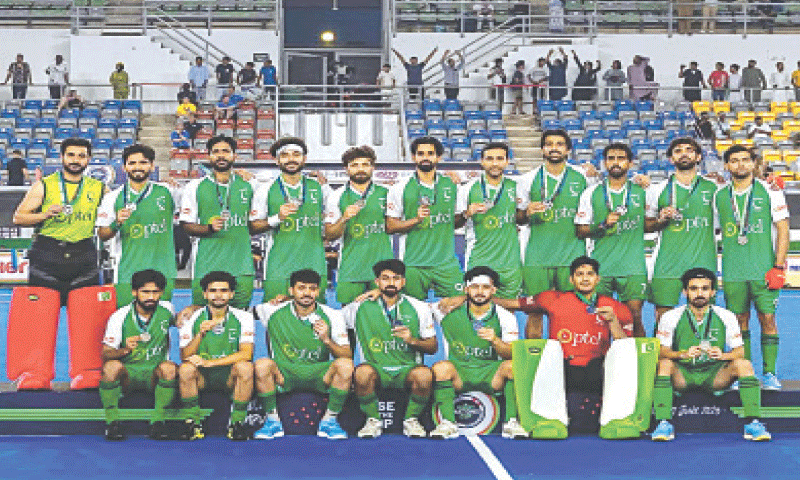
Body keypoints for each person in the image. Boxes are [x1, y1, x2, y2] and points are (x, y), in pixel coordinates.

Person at [651, 268, 771, 442]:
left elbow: (740, 351)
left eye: (705, 288)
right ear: (685, 291)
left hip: (714, 375)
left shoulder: (726, 316)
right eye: (693, 288)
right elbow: (661, 351)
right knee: (664, 364)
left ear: (713, 292)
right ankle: (663, 423)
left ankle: (753, 422)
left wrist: (722, 355)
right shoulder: (670, 316)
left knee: (744, 364)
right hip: (683, 374)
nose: (699, 293)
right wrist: (682, 354)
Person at [714, 145, 789, 390]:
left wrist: (778, 266)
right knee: (738, 322)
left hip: (763, 269)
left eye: (745, 160)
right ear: (727, 166)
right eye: (734, 161)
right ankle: (742, 372)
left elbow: (782, 229)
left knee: (768, 319)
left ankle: (769, 374)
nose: (740, 165)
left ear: (753, 163)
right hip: (734, 271)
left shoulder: (770, 191)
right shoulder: (719, 195)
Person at [252, 269, 352, 440]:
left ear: (318, 291)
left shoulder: (332, 315)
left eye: (312, 288)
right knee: (262, 365)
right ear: (291, 291)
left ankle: (330, 421)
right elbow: (238, 313)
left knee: (345, 366)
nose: (307, 293)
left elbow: (346, 355)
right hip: (285, 373)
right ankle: (272, 421)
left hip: (319, 374)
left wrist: (326, 340)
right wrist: (194, 309)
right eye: (301, 288)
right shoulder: (272, 310)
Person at [429, 266, 526, 440]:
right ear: (466, 290)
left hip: (490, 373)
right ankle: (448, 423)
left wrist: (495, 340)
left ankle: (511, 422)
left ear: (493, 290)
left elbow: (511, 353)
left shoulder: (505, 317)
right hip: (461, 372)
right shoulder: (446, 311)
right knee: (441, 368)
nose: (480, 292)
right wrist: (376, 292)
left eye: (486, 287)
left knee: (512, 366)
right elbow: (413, 306)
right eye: (475, 287)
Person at [514, 256, 633, 394]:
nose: (585, 279)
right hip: (561, 368)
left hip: (597, 370)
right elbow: (514, 304)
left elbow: (626, 348)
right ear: (571, 279)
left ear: (598, 279)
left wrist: (613, 321)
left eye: (590, 274)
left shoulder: (616, 307)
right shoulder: (553, 299)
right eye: (579, 274)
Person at [345, 259, 437, 439]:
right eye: (385, 278)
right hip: (375, 368)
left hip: (407, 369)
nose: (391, 283)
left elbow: (433, 347)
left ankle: (411, 420)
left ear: (403, 282)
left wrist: (412, 340)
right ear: (377, 282)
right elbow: (325, 315)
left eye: (396, 278)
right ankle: (373, 420)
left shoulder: (419, 308)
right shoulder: (358, 307)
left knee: (424, 375)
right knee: (361, 374)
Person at [13, 138, 104, 304]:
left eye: (81, 156)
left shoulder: (100, 188)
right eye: (70, 155)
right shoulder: (44, 185)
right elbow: (18, 217)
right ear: (62, 157)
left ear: (89, 159)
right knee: (41, 318)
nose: (76, 160)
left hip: (83, 256)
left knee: (87, 320)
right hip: (47, 256)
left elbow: (109, 221)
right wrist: (45, 214)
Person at [516, 129, 588, 339]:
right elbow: (518, 218)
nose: (554, 148)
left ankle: (568, 363)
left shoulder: (583, 178)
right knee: (535, 313)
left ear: (568, 149)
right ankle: (535, 364)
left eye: (559, 144)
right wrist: (527, 212)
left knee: (571, 313)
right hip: (537, 257)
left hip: (571, 256)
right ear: (542, 149)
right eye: (549, 144)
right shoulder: (527, 179)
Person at [645, 138, 718, 328]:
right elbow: (646, 225)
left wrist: (770, 181)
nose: (684, 153)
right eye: (678, 151)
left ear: (698, 156)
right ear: (671, 159)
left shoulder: (714, 187)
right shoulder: (657, 189)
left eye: (689, 150)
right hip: (666, 263)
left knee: (704, 315)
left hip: (703, 261)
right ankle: (663, 358)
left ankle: (703, 356)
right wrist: (660, 219)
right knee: (663, 317)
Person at [575, 143, 646, 337]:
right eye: (611, 158)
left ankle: (640, 363)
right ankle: (601, 363)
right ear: (605, 163)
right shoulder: (591, 193)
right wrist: (603, 225)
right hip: (601, 266)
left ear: (630, 163)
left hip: (633, 267)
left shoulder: (643, 191)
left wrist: (663, 218)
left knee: (634, 317)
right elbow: (580, 230)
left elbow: (650, 223)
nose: (615, 163)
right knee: (600, 318)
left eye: (621, 158)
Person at [250, 137, 331, 302]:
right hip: (278, 267)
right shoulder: (265, 189)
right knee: (275, 318)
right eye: (285, 155)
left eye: (296, 154)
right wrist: (277, 218)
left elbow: (333, 222)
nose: (291, 159)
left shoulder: (321, 188)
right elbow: (253, 227)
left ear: (304, 159)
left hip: (314, 264)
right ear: (277, 160)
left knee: (315, 319)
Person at [178, 271, 255, 441]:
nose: (219, 295)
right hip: (202, 378)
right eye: (213, 291)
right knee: (185, 369)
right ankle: (192, 423)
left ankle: (237, 424)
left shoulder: (244, 317)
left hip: (229, 376)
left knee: (246, 367)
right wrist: (200, 334)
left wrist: (210, 363)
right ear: (205, 294)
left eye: (224, 290)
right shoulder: (191, 318)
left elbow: (246, 353)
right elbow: (185, 355)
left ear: (231, 294)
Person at [100, 269, 177, 441]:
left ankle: (158, 423)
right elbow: (106, 354)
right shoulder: (119, 317)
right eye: (145, 292)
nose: (150, 297)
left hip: (154, 373)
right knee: (111, 367)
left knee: (170, 368)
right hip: (129, 374)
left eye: (155, 292)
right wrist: (125, 350)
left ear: (161, 293)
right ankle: (112, 423)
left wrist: (189, 311)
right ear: (134, 292)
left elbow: (182, 320)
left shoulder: (168, 310)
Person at [180, 136, 256, 309]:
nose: (221, 156)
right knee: (202, 318)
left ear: (234, 156)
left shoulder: (250, 184)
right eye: (216, 152)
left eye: (226, 151)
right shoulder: (194, 186)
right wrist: (209, 228)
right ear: (209, 156)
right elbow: (186, 225)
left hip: (241, 266)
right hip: (207, 264)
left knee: (239, 320)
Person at [97, 144, 177, 305]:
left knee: (159, 323)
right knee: (128, 322)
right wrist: (116, 223)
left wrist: (238, 174)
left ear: (152, 166)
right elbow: (102, 234)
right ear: (124, 167)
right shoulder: (113, 197)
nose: (137, 167)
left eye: (143, 162)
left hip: (163, 270)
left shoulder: (169, 191)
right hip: (128, 273)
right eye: (132, 163)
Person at [386, 136, 462, 300]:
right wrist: (416, 220)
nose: (425, 157)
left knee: (458, 310)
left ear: (438, 157)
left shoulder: (452, 184)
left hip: (446, 263)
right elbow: (390, 226)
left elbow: (455, 221)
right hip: (414, 264)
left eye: (430, 153)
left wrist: (466, 214)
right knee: (412, 314)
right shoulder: (400, 187)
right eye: (421, 153)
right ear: (413, 157)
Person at [324, 146, 393, 305]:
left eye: (365, 164)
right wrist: (343, 218)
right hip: (351, 270)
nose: (360, 169)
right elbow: (329, 234)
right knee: (349, 323)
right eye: (355, 165)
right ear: (346, 169)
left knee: (382, 321)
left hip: (383, 271)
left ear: (372, 167)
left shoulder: (388, 192)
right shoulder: (336, 196)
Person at [456, 142, 522, 300]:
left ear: (507, 162)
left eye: (500, 158)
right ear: (482, 161)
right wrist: (467, 213)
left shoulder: (517, 187)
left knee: (508, 311)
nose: (494, 163)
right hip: (479, 259)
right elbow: (454, 223)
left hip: (510, 263)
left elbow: (523, 220)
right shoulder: (467, 189)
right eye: (490, 158)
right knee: (477, 308)